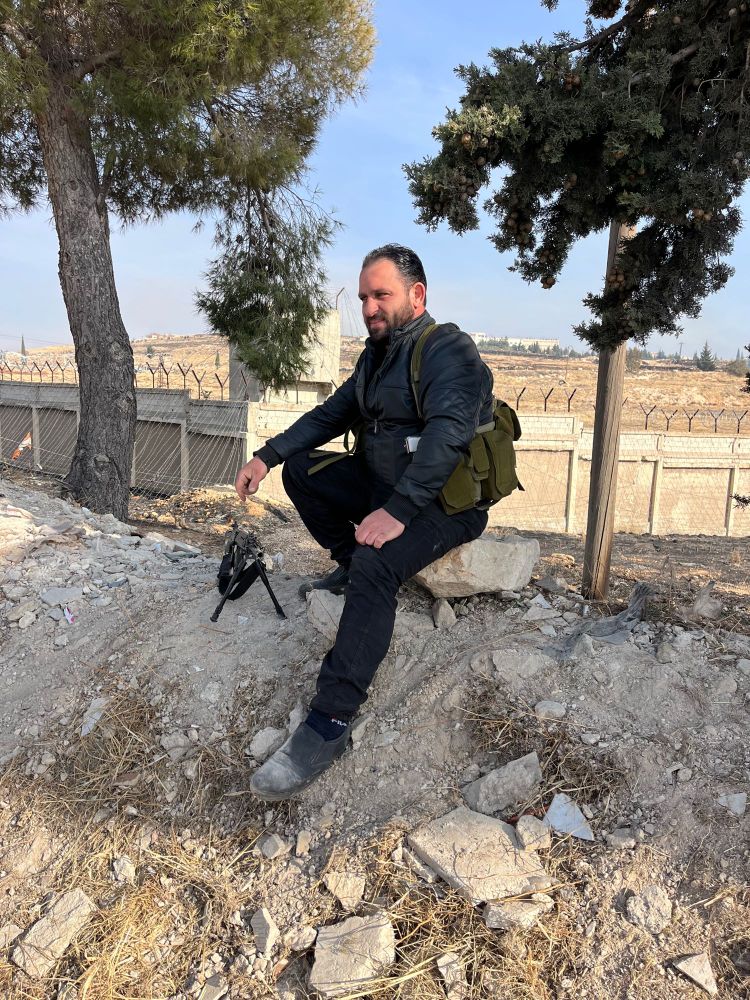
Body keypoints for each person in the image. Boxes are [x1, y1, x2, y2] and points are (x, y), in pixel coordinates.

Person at [234, 244, 493, 800]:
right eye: (363, 298)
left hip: (444, 504)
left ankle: (329, 720)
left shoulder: (448, 350)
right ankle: (349, 562)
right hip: (386, 486)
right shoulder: (375, 357)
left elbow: (448, 436)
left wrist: (396, 512)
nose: (370, 308)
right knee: (303, 471)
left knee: (377, 562)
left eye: (381, 295)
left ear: (416, 295)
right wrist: (267, 456)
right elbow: (331, 415)